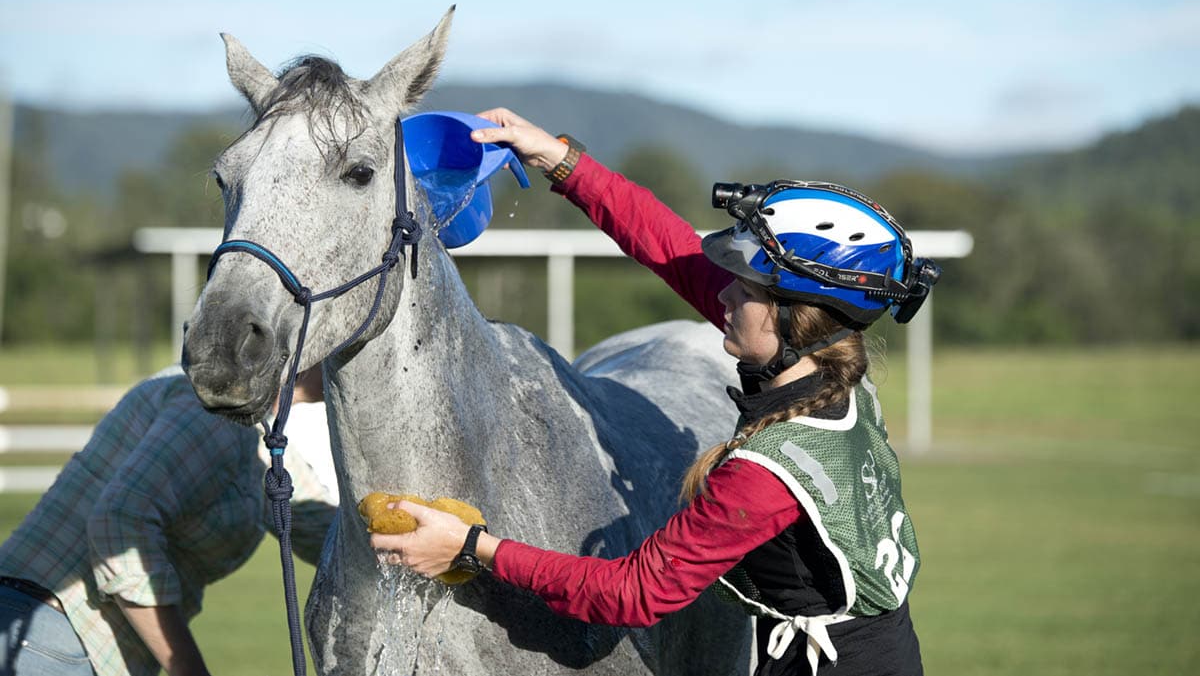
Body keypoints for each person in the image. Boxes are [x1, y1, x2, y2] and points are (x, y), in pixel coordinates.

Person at [370, 109, 941, 676]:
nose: (721, 301)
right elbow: (670, 248)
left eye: (743, 290)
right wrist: (558, 158)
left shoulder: (767, 472)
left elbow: (632, 593)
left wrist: (472, 547)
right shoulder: (839, 384)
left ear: (798, 318)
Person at [0, 364, 337, 676]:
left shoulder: (256, 435)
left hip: (53, 640)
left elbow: (333, 538)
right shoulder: (216, 408)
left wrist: (388, 521)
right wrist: (189, 669)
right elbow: (119, 524)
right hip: (47, 641)